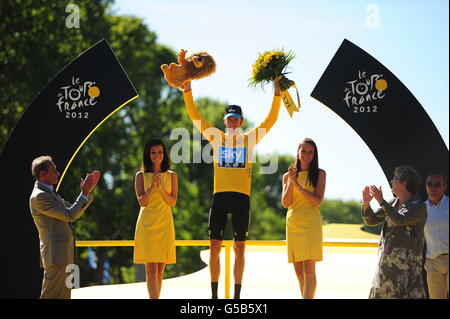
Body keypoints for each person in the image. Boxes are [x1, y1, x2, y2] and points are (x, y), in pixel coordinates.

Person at [180, 69, 281, 299]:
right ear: (224, 121)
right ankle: (215, 296)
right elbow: (195, 117)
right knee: (214, 247)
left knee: (240, 248)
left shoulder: (249, 139)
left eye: (236, 118)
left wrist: (276, 95)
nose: (233, 121)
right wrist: (187, 90)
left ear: (241, 121)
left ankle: (236, 296)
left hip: (241, 199)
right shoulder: (216, 136)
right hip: (220, 197)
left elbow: (271, 120)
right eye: (229, 118)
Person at [29, 155, 100, 299]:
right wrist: (84, 193)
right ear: (42, 175)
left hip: (63, 255)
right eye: (54, 170)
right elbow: (70, 215)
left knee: (64, 296)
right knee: (50, 295)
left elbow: (72, 211)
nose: (58, 173)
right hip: (56, 256)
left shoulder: (49, 192)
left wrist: (87, 192)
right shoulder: (40, 196)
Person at [362, 165, 427, 299]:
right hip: (386, 265)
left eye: (395, 178)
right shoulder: (392, 203)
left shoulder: (419, 206)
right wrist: (367, 204)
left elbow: (400, 220)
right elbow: (371, 220)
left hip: (406, 268)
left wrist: (381, 201)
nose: (391, 181)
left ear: (404, 183)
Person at [281, 138, 326, 299]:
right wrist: (291, 183)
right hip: (293, 224)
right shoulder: (287, 176)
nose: (306, 154)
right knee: (299, 272)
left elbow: (316, 201)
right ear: (298, 152)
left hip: (311, 224)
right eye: (304, 151)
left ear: (314, 155)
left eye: (310, 152)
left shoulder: (320, 174)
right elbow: (286, 203)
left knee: (309, 270)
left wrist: (299, 186)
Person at [133, 139, 178, 299]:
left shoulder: (172, 176)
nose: (157, 155)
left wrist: (161, 189)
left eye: (159, 152)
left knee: (160, 269)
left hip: (165, 223)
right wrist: (152, 187)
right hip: (147, 224)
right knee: (151, 269)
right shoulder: (140, 176)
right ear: (148, 155)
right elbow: (142, 202)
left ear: (164, 154)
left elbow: (172, 202)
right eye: (153, 152)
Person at [424, 172, 448, 299]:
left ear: (445, 186)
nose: (433, 187)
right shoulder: (420, 209)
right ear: (426, 186)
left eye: (437, 184)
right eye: (429, 184)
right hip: (432, 261)